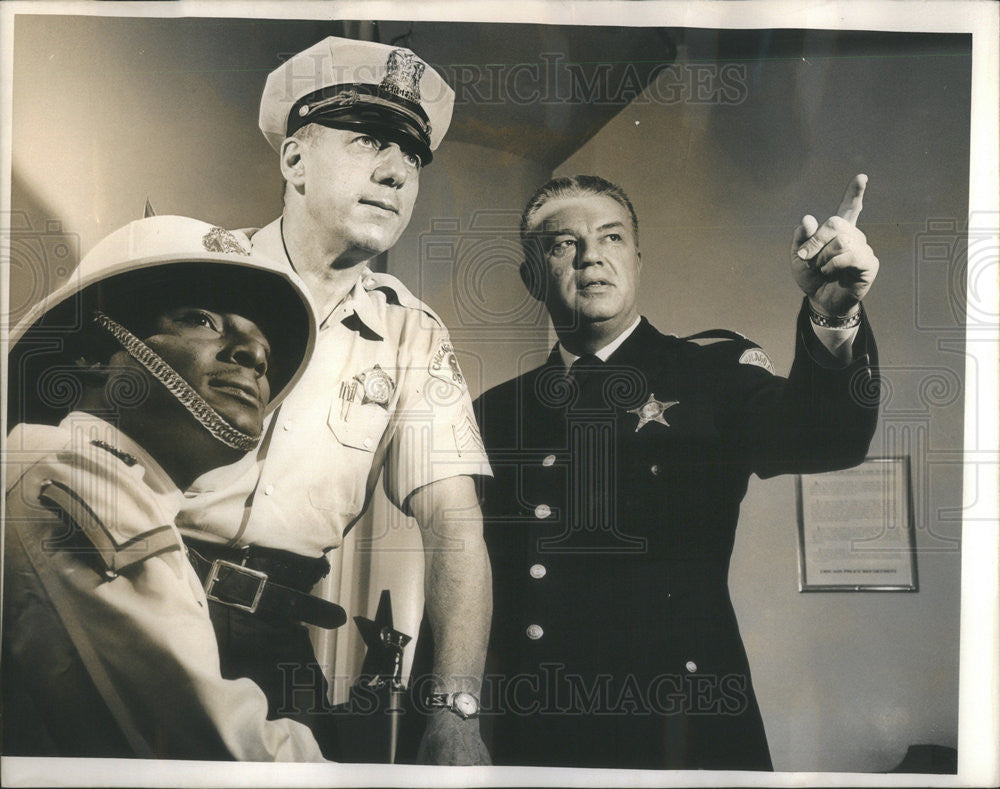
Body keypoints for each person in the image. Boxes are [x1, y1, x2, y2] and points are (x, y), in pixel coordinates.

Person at [474, 174, 881, 769]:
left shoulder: (713, 373)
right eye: (562, 244)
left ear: (636, 259)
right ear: (531, 275)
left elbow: (828, 439)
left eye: (611, 238)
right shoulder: (494, 413)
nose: (592, 257)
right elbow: (465, 576)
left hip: (683, 728)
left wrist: (833, 314)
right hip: (540, 733)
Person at [176, 37, 493, 764]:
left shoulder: (412, 333)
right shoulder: (186, 268)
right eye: (369, 143)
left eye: (412, 159)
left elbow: (456, 525)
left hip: (274, 642)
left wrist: (456, 709)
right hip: (134, 593)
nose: (394, 173)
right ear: (294, 161)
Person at [2, 214, 335, 760]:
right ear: (91, 349)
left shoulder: (102, 481)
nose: (252, 356)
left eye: (264, 354)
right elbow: (215, 752)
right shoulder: (68, 475)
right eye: (202, 320)